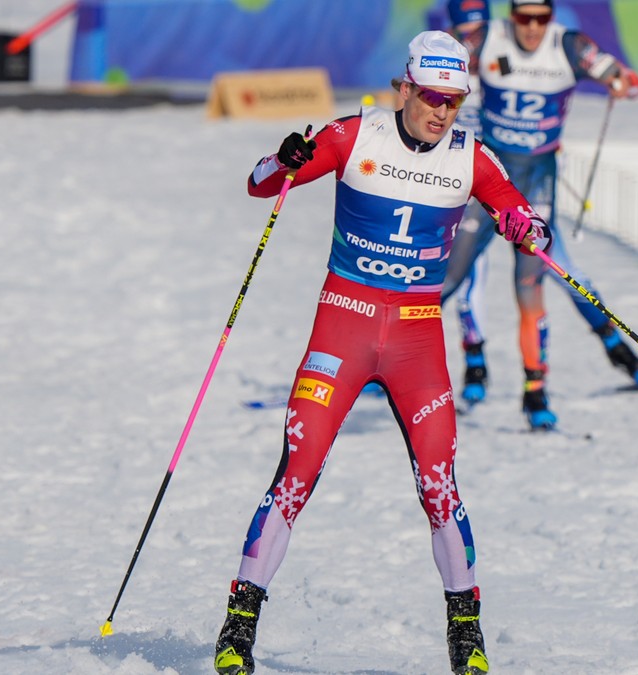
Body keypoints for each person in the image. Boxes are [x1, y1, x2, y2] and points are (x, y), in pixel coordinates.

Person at [212, 30, 551, 675]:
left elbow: (519, 212)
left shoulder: (471, 157)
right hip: (343, 327)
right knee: (296, 474)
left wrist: (525, 227)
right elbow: (260, 184)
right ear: (405, 88)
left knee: (440, 486)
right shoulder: (353, 135)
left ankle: (466, 640)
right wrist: (285, 159)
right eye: (430, 96)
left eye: (453, 100)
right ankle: (237, 629)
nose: (441, 111)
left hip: (417, 340)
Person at [440, 0, 638, 430]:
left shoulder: (570, 45)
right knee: (447, 277)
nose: (533, 28)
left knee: (530, 285)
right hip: (490, 181)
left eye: (541, 18)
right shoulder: (486, 39)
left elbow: (626, 79)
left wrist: (622, 83)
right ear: (511, 15)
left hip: (537, 186)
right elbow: (430, 71)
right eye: (524, 18)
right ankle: (381, 362)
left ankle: (535, 394)